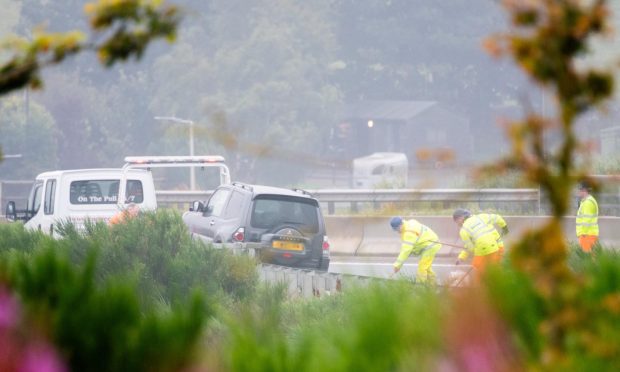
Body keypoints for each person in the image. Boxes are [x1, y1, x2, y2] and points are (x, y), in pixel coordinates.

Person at [390, 216, 442, 285]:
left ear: (401, 224)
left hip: (430, 246)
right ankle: (435, 283)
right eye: (395, 230)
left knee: (422, 268)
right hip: (430, 244)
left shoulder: (409, 233)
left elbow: (405, 250)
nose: (397, 231)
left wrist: (397, 265)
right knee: (427, 267)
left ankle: (420, 288)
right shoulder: (408, 223)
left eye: (397, 229)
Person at [452, 209, 502, 279]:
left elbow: (470, 248)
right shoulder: (479, 221)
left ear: (460, 218)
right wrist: (461, 257)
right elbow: (468, 247)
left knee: (480, 268)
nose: (457, 224)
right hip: (495, 248)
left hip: (490, 249)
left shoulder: (464, 230)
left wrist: (473, 250)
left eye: (456, 221)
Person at [576, 181, 599, 253]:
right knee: (591, 258)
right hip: (588, 234)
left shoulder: (588, 203)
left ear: (584, 190)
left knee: (587, 258)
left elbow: (586, 221)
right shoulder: (587, 201)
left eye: (580, 190)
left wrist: (583, 234)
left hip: (587, 235)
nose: (578, 192)